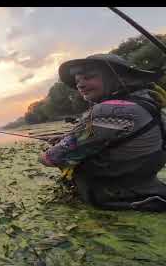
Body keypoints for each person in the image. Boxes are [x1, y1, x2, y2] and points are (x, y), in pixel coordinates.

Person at [39, 53, 166, 212]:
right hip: (146, 187)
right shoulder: (150, 103)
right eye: (78, 81)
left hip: (111, 199)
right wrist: (65, 138)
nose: (80, 85)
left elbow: (52, 158)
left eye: (89, 77)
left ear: (116, 77)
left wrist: (45, 153)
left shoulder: (107, 111)